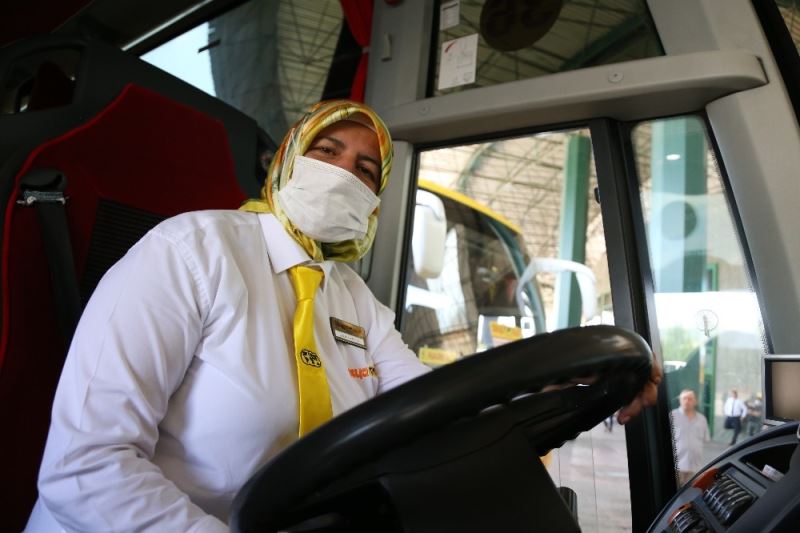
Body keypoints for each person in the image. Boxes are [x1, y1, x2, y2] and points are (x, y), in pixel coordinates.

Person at [25, 99, 661, 531]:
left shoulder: (350, 293)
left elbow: (433, 405)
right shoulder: (192, 250)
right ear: (287, 160)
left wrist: (567, 384)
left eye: (365, 169)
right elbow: (86, 466)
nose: (342, 175)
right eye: (325, 151)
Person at [670, 389, 709, 486]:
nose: (687, 401)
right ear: (680, 400)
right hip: (677, 466)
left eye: (690, 399)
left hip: (695, 468)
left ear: (696, 401)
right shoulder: (672, 416)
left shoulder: (702, 419)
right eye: (684, 398)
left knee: (690, 493)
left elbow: (705, 439)